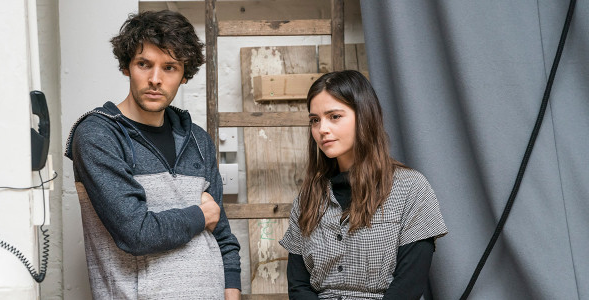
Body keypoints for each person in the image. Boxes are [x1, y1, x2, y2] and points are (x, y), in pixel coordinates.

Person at [64, 10, 241, 299]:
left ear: (185, 75)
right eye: (144, 64)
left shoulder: (198, 140)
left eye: (169, 67)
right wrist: (200, 214)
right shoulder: (98, 135)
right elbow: (135, 232)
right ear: (126, 67)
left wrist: (232, 290)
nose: (155, 79)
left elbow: (221, 234)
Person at [279, 70, 448, 300]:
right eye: (315, 120)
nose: (322, 129)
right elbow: (298, 287)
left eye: (334, 116)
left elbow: (408, 287)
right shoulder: (308, 197)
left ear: (364, 116)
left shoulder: (411, 189)